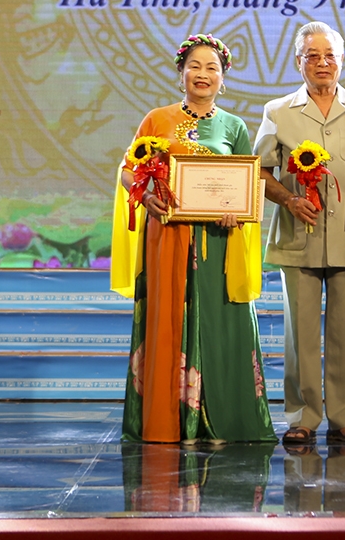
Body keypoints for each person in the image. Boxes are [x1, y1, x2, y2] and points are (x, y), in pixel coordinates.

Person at [111, 34, 275, 443]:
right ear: (181, 72)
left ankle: (225, 416)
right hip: (167, 235)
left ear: (224, 77)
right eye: (195, 67)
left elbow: (248, 182)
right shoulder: (157, 119)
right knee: (167, 318)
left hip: (218, 240)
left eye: (212, 68)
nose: (203, 75)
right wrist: (145, 195)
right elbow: (128, 170)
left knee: (223, 319)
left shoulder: (234, 126)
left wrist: (236, 209)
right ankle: (165, 421)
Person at [253, 21, 345, 449]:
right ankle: (302, 417)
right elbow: (260, 172)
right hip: (297, 237)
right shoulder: (278, 112)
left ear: (342, 60)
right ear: (298, 62)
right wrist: (288, 201)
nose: (322, 63)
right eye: (312, 55)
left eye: (330, 55)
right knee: (300, 335)